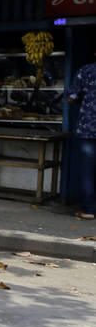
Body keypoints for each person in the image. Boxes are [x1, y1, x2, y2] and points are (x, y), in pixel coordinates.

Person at [67, 53, 96, 220]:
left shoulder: (86, 70)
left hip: (88, 127)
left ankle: (89, 210)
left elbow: (71, 98)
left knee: (87, 171)